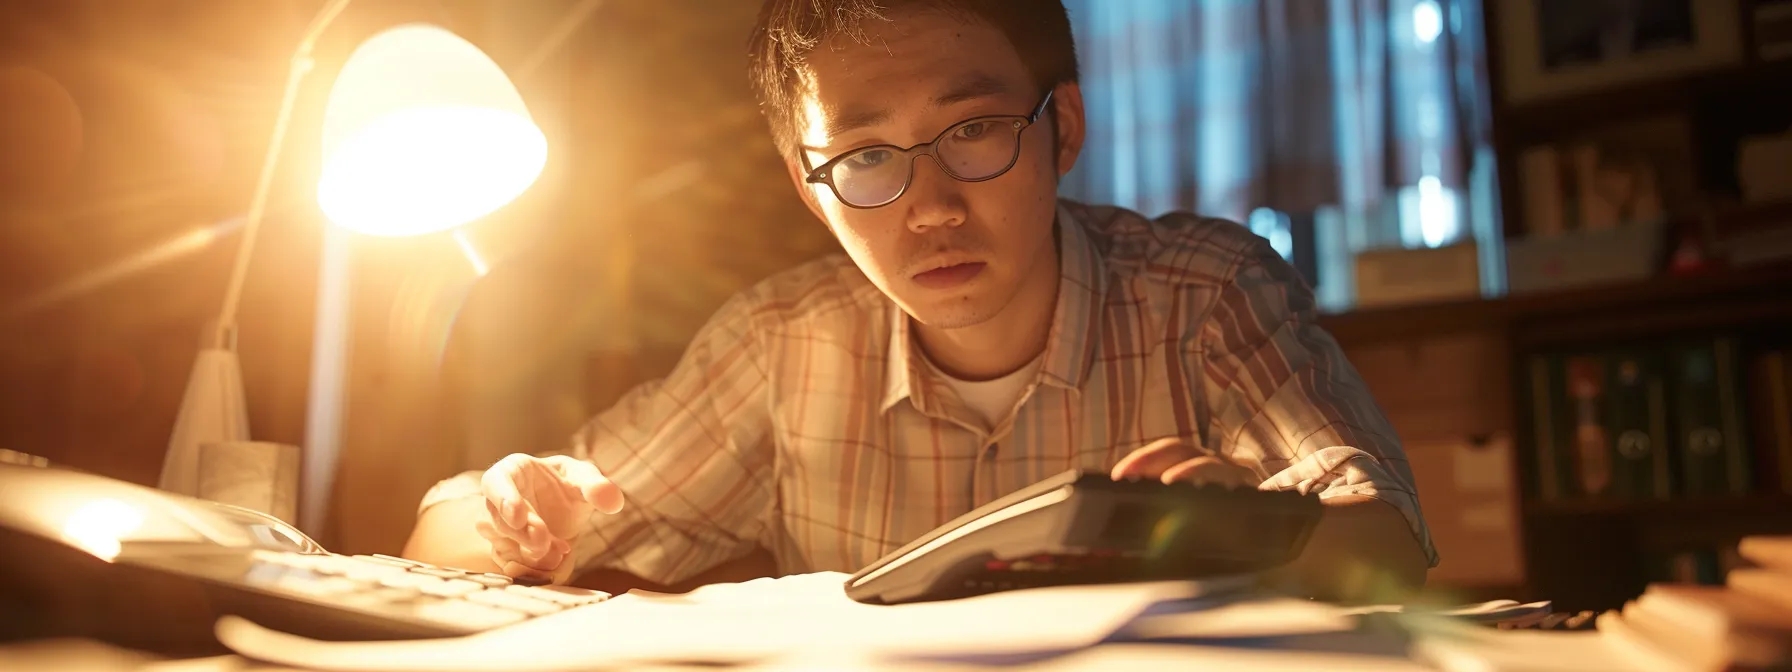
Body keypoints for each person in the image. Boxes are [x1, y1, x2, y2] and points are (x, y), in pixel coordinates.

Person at [402, 0, 1436, 603]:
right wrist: (511, 511)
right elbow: (449, 543)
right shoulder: (780, 346)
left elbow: (1382, 532)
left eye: (974, 131)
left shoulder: (1202, 294)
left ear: (1060, 129)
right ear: (806, 184)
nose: (929, 208)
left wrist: (1246, 534)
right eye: (861, 157)